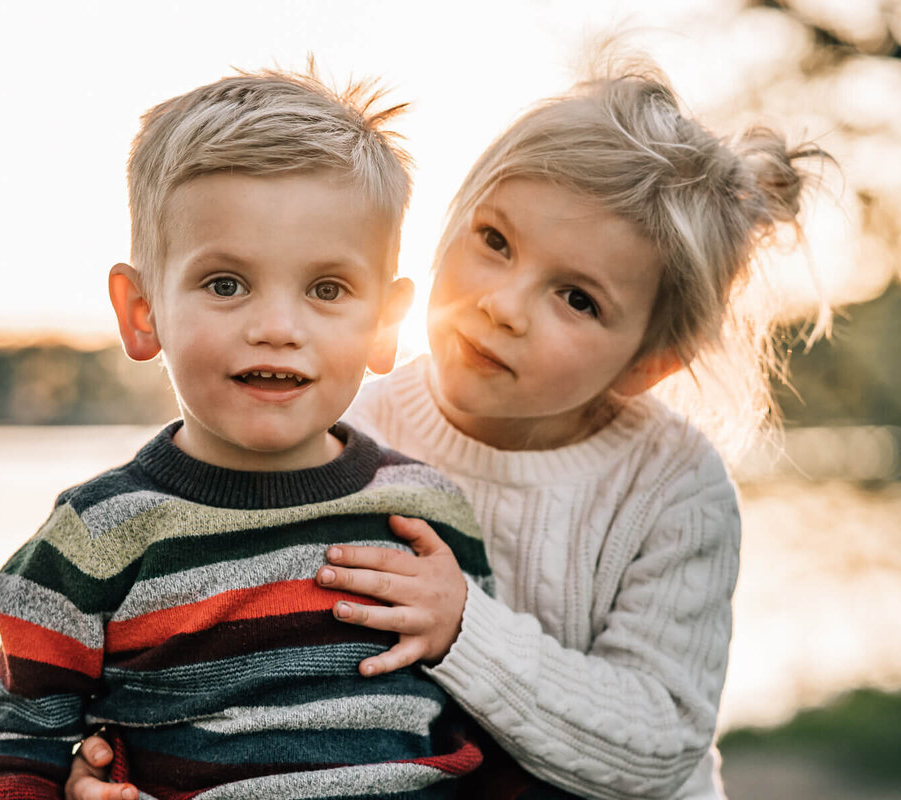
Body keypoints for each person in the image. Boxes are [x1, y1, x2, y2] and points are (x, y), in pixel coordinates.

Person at [68, 61, 830, 800]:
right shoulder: (347, 433)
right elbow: (250, 656)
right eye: (495, 241)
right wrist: (121, 750)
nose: (504, 304)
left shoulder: (671, 486)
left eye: (576, 298)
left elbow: (659, 744)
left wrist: (466, 628)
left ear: (648, 363)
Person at [0, 67, 497, 800]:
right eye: (225, 284)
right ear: (142, 311)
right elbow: (18, 748)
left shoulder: (426, 517)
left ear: (384, 322)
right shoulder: (95, 540)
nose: (277, 328)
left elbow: (486, 732)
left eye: (327, 290)